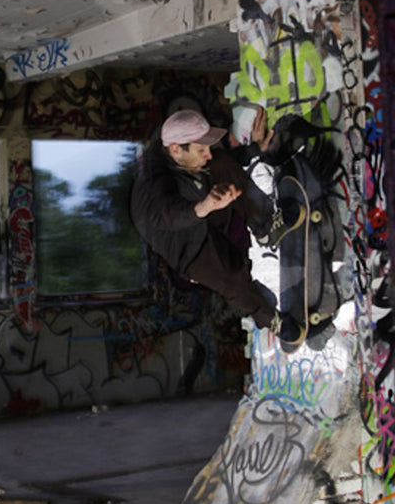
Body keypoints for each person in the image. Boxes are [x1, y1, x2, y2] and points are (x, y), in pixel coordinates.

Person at [130, 107, 304, 347]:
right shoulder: (151, 184)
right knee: (232, 278)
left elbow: (221, 161)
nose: (207, 154)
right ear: (176, 150)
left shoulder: (178, 148)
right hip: (189, 248)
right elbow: (165, 216)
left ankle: (265, 228)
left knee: (221, 163)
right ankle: (271, 319)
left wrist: (254, 150)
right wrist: (203, 206)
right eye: (201, 150)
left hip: (203, 208)